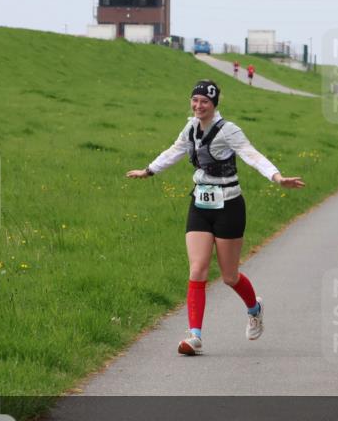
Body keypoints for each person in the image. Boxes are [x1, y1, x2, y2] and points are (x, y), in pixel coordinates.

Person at [126, 79, 305, 356]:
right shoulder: (191, 128)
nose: (199, 106)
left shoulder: (228, 131)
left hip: (229, 206)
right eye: (195, 100)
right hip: (200, 203)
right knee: (197, 268)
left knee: (229, 276)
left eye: (205, 102)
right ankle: (194, 336)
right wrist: (149, 170)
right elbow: (175, 150)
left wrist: (277, 177)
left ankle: (254, 309)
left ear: (214, 105)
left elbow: (251, 155)